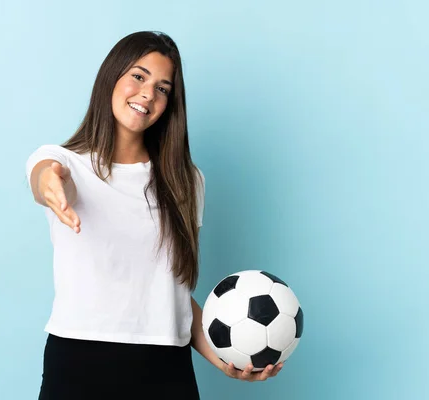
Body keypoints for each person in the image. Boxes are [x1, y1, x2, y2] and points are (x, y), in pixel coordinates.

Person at [26, 31, 283, 400]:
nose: (148, 93)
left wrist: (227, 358)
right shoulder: (64, 163)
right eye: (138, 76)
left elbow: (173, 293)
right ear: (111, 77)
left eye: (163, 88)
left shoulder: (186, 180)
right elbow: (44, 178)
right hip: (80, 361)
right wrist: (51, 184)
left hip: (166, 368)